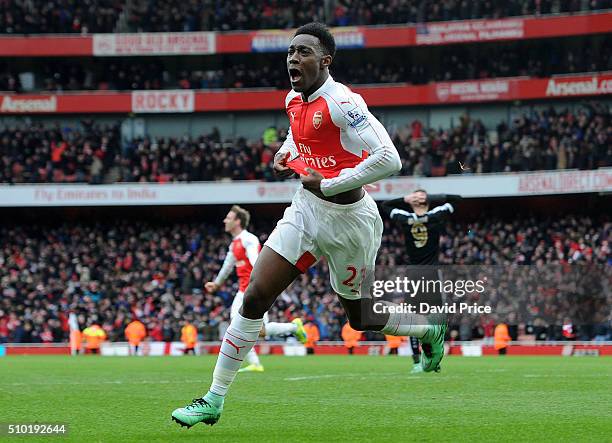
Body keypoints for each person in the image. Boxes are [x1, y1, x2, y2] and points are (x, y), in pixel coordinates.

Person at [172, 22, 445, 429]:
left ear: (325, 60)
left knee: (360, 318)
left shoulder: (343, 102)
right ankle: (213, 399)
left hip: (351, 223)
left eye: (303, 52)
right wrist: (286, 153)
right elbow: (297, 138)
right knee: (253, 299)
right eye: (290, 52)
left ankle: (427, 330)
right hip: (305, 211)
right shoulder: (293, 100)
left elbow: (390, 159)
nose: (293, 58)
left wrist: (329, 182)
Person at [204, 205, 308, 372]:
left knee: (247, 327)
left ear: (237, 221)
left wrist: (261, 282)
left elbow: (256, 261)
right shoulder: (234, 244)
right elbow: (227, 266)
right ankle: (289, 332)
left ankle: (290, 331)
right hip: (244, 290)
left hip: (255, 289)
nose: (225, 220)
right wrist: (216, 283)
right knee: (255, 329)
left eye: (229, 218)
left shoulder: (248, 239)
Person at [381, 189, 461, 374]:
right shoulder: (408, 216)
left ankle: (434, 356)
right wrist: (406, 198)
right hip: (415, 274)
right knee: (413, 318)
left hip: (432, 273)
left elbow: (457, 198)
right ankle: (417, 360)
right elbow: (385, 205)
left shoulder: (434, 214)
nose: (416, 198)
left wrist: (430, 197)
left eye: (420, 196)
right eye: (413, 196)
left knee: (437, 318)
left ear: (425, 200)